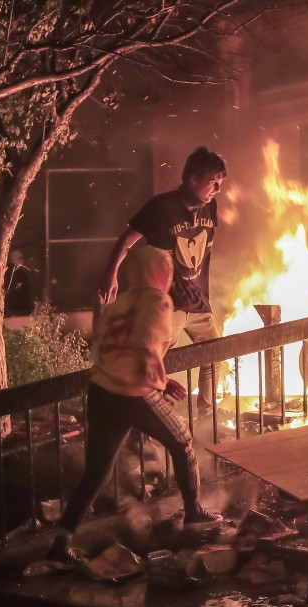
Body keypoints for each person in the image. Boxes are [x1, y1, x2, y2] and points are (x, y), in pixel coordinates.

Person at [49, 246, 218, 563]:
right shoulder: (157, 300)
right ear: (155, 273)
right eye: (166, 268)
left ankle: (60, 542)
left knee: (96, 471)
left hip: (102, 391)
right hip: (135, 390)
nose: (170, 275)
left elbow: (102, 343)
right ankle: (194, 513)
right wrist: (156, 378)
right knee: (182, 442)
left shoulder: (117, 304)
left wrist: (156, 375)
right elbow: (144, 343)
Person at [98, 147, 228, 427]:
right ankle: (146, 421)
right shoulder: (161, 208)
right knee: (152, 360)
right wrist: (112, 273)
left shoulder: (210, 206)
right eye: (212, 181)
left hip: (198, 302)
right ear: (193, 179)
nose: (217, 188)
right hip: (167, 303)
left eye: (221, 182)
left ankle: (205, 416)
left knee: (216, 356)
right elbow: (127, 239)